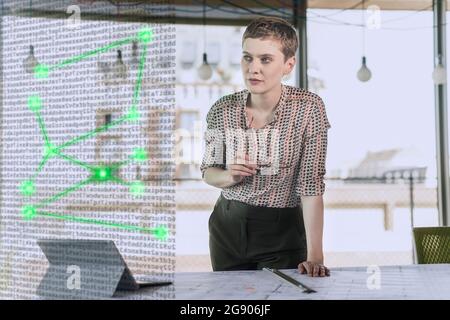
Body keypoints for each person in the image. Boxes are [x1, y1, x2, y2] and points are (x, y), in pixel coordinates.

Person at [200, 16, 331, 277]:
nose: (253, 68)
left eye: (266, 59)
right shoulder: (222, 109)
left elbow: (311, 185)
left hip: (282, 233)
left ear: (288, 65)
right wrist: (229, 176)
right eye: (247, 57)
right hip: (227, 227)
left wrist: (315, 255)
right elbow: (208, 171)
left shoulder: (309, 108)